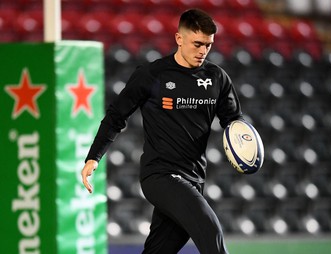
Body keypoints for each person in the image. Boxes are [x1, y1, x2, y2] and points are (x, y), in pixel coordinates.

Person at [81, 8, 242, 254]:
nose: (202, 51)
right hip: (160, 175)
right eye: (197, 44)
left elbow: (234, 121)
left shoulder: (217, 77)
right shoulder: (152, 74)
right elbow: (116, 116)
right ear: (179, 39)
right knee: (211, 231)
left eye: (208, 45)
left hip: (194, 178)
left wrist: (244, 141)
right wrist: (94, 156)